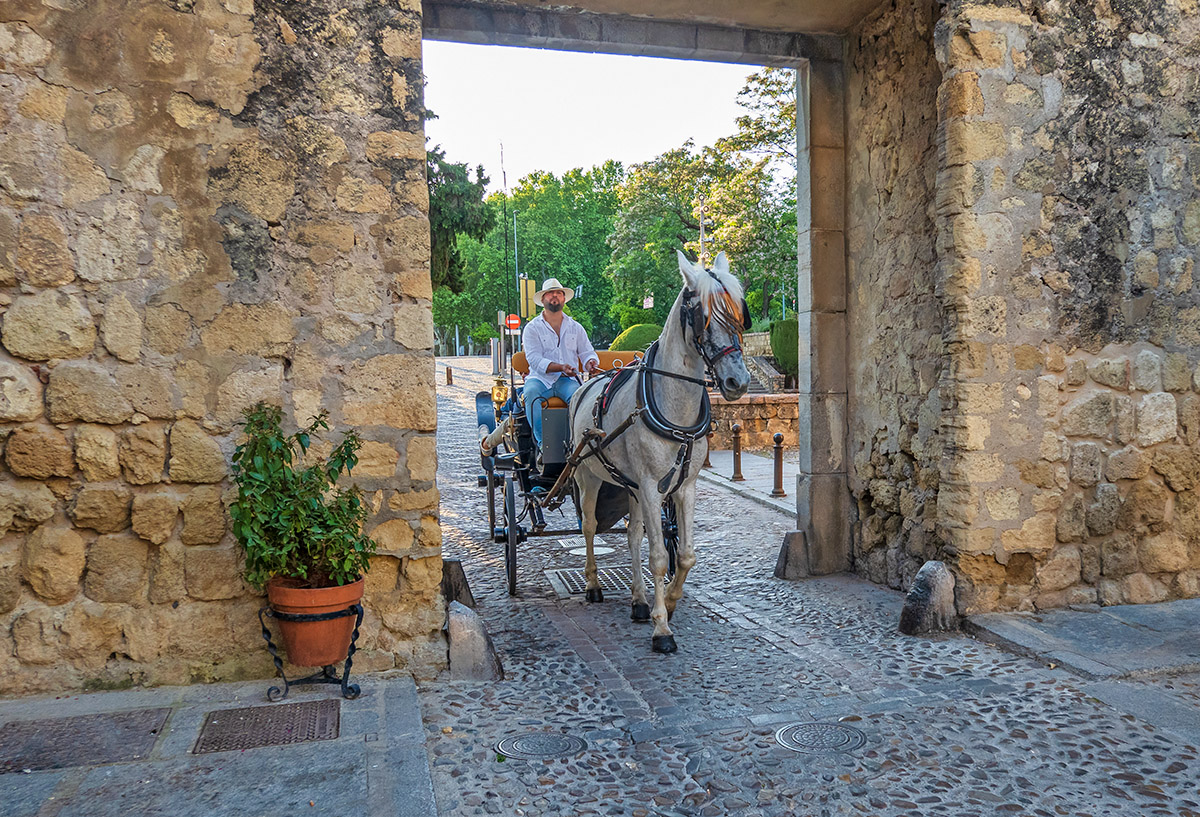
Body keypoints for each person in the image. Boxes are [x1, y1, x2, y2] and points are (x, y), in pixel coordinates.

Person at [521, 277, 600, 448]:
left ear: (564, 298)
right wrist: (560, 367)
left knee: (579, 398)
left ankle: (575, 442)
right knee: (531, 394)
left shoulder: (576, 327)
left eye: (558, 293)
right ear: (543, 300)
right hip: (540, 379)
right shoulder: (532, 328)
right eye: (550, 294)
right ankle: (543, 444)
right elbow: (534, 359)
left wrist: (591, 363)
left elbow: (586, 352)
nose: (554, 296)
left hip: (567, 381)